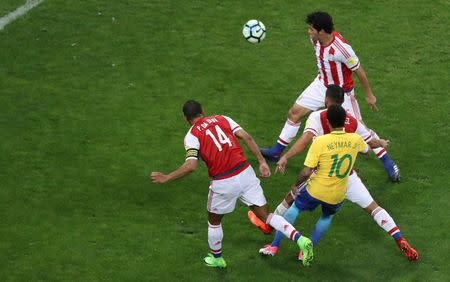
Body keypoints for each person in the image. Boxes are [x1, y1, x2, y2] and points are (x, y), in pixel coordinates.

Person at [251, 85, 418, 262]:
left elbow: (305, 143)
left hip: (321, 176)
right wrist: (381, 142)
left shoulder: (318, 119)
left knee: (293, 201)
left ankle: (272, 238)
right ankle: (399, 238)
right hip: (346, 179)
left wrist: (285, 157)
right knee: (372, 208)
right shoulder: (352, 123)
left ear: (326, 100)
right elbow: (368, 146)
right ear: (343, 101)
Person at [150, 100, 313, 268]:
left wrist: (167, 177)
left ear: (185, 118)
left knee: (214, 222)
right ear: (202, 111)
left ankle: (217, 259)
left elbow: (191, 165)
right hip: (245, 172)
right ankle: (301, 239)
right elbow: (246, 137)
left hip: (222, 181)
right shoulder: (223, 119)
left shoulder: (191, 136)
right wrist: (262, 161)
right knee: (267, 216)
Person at [260, 11, 400, 182]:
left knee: (360, 128)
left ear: (322, 31)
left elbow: (359, 71)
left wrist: (369, 95)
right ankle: (276, 152)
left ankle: (388, 162)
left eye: (311, 29)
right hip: (321, 84)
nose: (308, 32)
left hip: (342, 94)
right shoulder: (316, 40)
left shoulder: (341, 49)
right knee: (294, 113)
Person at [261, 104, 370, 265]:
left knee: (295, 208)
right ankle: (305, 251)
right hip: (337, 194)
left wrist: (295, 185)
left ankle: (274, 246)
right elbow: (367, 151)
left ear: (328, 122)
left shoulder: (320, 141)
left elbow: (306, 171)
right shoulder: (355, 139)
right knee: (326, 216)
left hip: (316, 189)